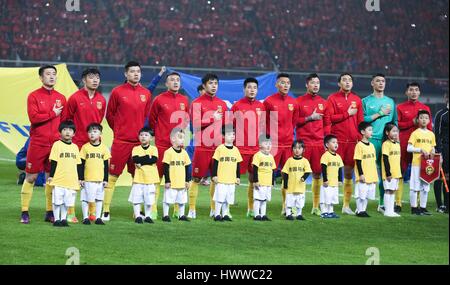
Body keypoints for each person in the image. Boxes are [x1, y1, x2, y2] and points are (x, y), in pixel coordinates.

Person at [103, 61, 152, 221]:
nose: (135, 74)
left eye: (138, 71)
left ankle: (137, 212)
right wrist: (118, 131)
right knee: (113, 175)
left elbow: (145, 116)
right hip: (121, 141)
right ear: (126, 74)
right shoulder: (117, 92)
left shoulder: (146, 93)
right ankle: (105, 210)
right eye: (132, 71)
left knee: (137, 177)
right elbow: (110, 115)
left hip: (138, 144)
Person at [20, 65, 67, 224]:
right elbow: (34, 118)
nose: (52, 77)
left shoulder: (61, 97)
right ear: (41, 78)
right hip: (38, 142)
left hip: (55, 144)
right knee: (31, 177)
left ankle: (50, 212)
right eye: (48, 74)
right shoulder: (33, 96)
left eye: (54, 74)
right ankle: (25, 211)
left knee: (50, 178)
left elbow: (64, 122)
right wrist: (52, 113)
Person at [64, 67, 106, 223]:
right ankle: (70, 212)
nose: (95, 80)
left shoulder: (102, 99)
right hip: (76, 144)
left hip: (93, 146)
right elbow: (67, 121)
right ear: (84, 80)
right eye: (91, 77)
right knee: (73, 180)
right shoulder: (74, 98)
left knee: (92, 181)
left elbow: (99, 121)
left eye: (97, 77)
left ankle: (91, 213)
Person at [149, 72, 189, 219]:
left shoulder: (184, 100)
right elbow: (152, 120)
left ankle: (178, 210)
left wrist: (180, 139)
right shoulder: (159, 100)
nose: (175, 82)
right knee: (157, 177)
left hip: (178, 147)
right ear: (166, 84)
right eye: (172, 80)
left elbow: (185, 122)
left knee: (179, 178)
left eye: (178, 80)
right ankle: (152, 209)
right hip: (162, 144)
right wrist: (159, 135)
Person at [188, 73, 228, 218]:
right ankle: (192, 209)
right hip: (203, 147)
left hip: (218, 149)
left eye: (216, 83)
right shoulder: (196, 103)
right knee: (197, 178)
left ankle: (214, 209)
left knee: (216, 179)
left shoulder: (222, 104)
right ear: (204, 86)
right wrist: (212, 118)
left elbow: (226, 126)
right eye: (211, 83)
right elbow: (195, 124)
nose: (214, 86)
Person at [326, 73, 364, 215]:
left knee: (348, 174)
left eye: (349, 80)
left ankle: (346, 205)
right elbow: (329, 119)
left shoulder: (357, 100)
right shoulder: (332, 98)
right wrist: (347, 114)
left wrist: (360, 139)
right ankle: (328, 205)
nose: (347, 82)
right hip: (337, 142)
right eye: (344, 80)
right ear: (339, 83)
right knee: (333, 173)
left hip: (352, 143)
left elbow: (360, 123)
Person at [263, 73, 299, 215]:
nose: (285, 85)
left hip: (288, 143)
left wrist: (288, 134)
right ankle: (261, 207)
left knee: (288, 176)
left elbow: (294, 122)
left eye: (288, 83)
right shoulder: (269, 101)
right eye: (282, 83)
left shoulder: (293, 102)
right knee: (267, 173)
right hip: (273, 144)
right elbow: (263, 121)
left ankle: (287, 207)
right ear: (276, 85)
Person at [295, 73, 330, 216]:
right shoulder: (298, 101)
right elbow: (295, 121)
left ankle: (315, 206)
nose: (316, 85)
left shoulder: (324, 102)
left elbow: (327, 123)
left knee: (317, 175)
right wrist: (310, 118)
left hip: (318, 144)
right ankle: (294, 206)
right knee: (298, 174)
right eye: (313, 82)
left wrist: (326, 141)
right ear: (306, 84)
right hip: (303, 143)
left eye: (317, 83)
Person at [362, 73, 397, 213]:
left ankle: (382, 203)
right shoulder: (365, 101)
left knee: (386, 173)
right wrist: (379, 113)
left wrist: (395, 138)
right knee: (365, 173)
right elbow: (362, 121)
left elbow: (394, 122)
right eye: (378, 81)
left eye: (383, 81)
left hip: (385, 142)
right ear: (372, 83)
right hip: (369, 141)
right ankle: (361, 205)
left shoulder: (391, 101)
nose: (381, 83)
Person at [231, 77, 265, 218]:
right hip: (240, 148)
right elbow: (229, 126)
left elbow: (262, 127)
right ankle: (224, 208)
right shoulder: (237, 106)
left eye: (254, 88)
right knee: (231, 178)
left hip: (256, 149)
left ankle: (251, 208)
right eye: (249, 87)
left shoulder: (261, 106)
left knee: (254, 179)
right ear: (244, 89)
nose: (252, 90)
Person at [396, 82, 432, 212]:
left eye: (416, 90)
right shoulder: (400, 107)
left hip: (422, 146)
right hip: (405, 143)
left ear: (419, 92)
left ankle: (418, 206)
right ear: (406, 92)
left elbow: (429, 128)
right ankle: (398, 203)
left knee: (422, 174)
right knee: (400, 172)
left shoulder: (425, 108)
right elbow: (397, 125)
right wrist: (411, 122)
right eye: (411, 90)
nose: (414, 92)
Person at [47, 120, 81, 227]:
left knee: (67, 202)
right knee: (57, 200)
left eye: (70, 130)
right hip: (59, 179)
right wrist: (51, 176)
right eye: (65, 130)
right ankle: (56, 219)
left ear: (74, 133)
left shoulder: (75, 147)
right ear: (60, 132)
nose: (67, 132)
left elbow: (78, 164)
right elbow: (54, 161)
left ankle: (63, 219)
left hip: (71, 179)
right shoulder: (57, 145)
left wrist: (80, 178)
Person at [78, 123, 110, 225]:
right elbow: (81, 164)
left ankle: (98, 217)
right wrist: (81, 178)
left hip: (99, 179)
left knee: (99, 199)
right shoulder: (85, 147)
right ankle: (85, 217)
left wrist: (105, 179)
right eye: (90, 132)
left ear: (100, 134)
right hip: (87, 179)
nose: (92, 134)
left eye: (95, 132)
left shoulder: (104, 148)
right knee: (85, 199)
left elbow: (106, 165)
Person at [407, 110, 436, 215]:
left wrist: (433, 151)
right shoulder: (415, 133)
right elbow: (409, 148)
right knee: (415, 186)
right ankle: (414, 208)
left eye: (426, 118)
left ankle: (423, 208)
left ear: (429, 120)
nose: (424, 120)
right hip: (417, 164)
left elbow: (433, 147)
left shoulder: (431, 134)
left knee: (426, 186)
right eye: (421, 117)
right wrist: (420, 150)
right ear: (418, 120)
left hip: (428, 164)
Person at [211, 126, 242, 222]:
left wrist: (238, 177)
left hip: (231, 179)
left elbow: (238, 164)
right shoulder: (220, 148)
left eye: (233, 134)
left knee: (228, 198)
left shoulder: (236, 150)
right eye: (229, 134)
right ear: (224, 136)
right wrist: (214, 175)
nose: (232, 136)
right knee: (220, 197)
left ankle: (225, 214)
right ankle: (217, 214)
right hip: (221, 179)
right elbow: (215, 163)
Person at [129, 127, 159, 224]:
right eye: (141, 135)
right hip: (138, 179)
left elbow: (154, 160)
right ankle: (138, 216)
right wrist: (147, 158)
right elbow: (135, 159)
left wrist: (141, 161)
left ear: (151, 138)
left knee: (149, 199)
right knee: (137, 198)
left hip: (150, 179)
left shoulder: (154, 149)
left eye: (146, 135)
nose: (143, 137)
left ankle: (147, 216)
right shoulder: (136, 148)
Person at [162, 128, 192, 222]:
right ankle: (165, 215)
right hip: (172, 182)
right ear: (173, 139)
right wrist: (167, 181)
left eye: (183, 138)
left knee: (182, 200)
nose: (182, 140)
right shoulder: (168, 152)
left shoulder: (184, 153)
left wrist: (187, 180)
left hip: (181, 182)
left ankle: (181, 215)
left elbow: (188, 167)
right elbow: (165, 167)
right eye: (180, 137)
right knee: (167, 199)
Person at [281, 140, 312, 221]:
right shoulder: (289, 160)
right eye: (295, 148)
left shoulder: (305, 161)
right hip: (291, 186)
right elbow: (285, 172)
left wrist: (303, 178)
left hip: (300, 187)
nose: (297, 150)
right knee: (289, 201)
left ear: (303, 150)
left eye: (299, 148)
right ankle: (288, 214)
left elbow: (308, 171)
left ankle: (299, 214)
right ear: (292, 149)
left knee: (300, 201)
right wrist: (285, 184)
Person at [353, 122, 378, 217]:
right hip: (363, 175)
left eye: (372, 130)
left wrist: (375, 175)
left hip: (371, 175)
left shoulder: (371, 145)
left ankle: (363, 210)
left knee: (367, 195)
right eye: (370, 130)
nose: (372, 132)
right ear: (363, 131)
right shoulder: (359, 145)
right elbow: (358, 161)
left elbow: (373, 161)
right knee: (361, 194)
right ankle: (360, 211)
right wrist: (361, 174)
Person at [251, 135, 277, 221]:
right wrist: (255, 181)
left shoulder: (271, 157)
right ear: (260, 145)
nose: (269, 145)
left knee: (264, 199)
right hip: (260, 182)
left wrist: (272, 182)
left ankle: (263, 215)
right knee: (258, 199)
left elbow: (273, 170)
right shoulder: (257, 155)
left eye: (270, 143)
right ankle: (256, 215)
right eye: (266, 143)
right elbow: (255, 169)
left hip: (268, 182)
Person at [320, 135, 344, 219]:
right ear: (327, 145)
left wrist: (340, 180)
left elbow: (340, 169)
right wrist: (325, 180)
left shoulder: (338, 157)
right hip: (327, 183)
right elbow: (323, 168)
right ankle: (324, 212)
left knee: (332, 198)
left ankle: (330, 211)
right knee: (325, 197)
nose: (336, 144)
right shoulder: (325, 155)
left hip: (334, 182)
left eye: (337, 142)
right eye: (333, 142)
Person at [381, 123, 402, 217]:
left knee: (393, 190)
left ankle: (391, 210)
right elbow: (385, 159)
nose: (395, 133)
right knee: (388, 190)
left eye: (396, 131)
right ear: (387, 132)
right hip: (389, 173)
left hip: (396, 172)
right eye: (393, 131)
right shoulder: (386, 144)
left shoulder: (397, 144)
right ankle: (387, 211)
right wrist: (388, 173)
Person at [433, 93, 449, 213]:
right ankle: (440, 205)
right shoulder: (441, 114)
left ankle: (447, 205)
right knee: (440, 177)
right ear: (446, 98)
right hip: (444, 148)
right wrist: (439, 152)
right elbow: (436, 135)